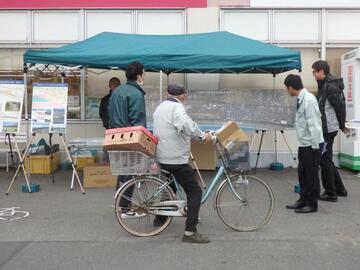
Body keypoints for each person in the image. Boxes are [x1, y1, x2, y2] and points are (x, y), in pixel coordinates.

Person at [153, 84, 212, 244]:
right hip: (175, 158)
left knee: (169, 187)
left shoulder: (161, 107)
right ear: (183, 96)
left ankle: (159, 219)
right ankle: (190, 231)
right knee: (195, 192)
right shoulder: (177, 108)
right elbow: (186, 125)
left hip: (163, 155)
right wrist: (202, 136)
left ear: (168, 93)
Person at [108, 61, 146, 217]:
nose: (144, 75)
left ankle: (120, 202)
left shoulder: (117, 91)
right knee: (131, 172)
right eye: (143, 73)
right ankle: (125, 209)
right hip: (130, 137)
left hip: (115, 135)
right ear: (138, 75)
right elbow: (138, 120)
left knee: (122, 171)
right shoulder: (135, 93)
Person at [284, 74, 324, 214]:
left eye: (287, 88)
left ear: (290, 87)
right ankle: (303, 199)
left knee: (311, 175)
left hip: (312, 145)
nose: (287, 91)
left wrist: (315, 147)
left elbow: (314, 125)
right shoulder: (301, 99)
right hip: (304, 144)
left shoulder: (309, 100)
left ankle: (312, 204)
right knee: (302, 173)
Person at [312, 60, 348, 201]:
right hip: (326, 127)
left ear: (321, 71)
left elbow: (340, 107)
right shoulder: (324, 85)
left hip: (328, 129)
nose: (313, 74)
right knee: (327, 159)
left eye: (314, 71)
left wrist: (342, 125)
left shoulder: (330, 86)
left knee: (324, 160)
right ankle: (340, 189)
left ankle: (330, 193)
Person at [99, 77, 120, 163]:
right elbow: (102, 113)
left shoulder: (123, 97)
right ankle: (106, 168)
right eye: (113, 84)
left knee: (120, 149)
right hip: (110, 129)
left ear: (120, 85)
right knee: (108, 149)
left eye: (116, 84)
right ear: (109, 86)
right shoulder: (105, 99)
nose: (115, 86)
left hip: (122, 129)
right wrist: (107, 124)